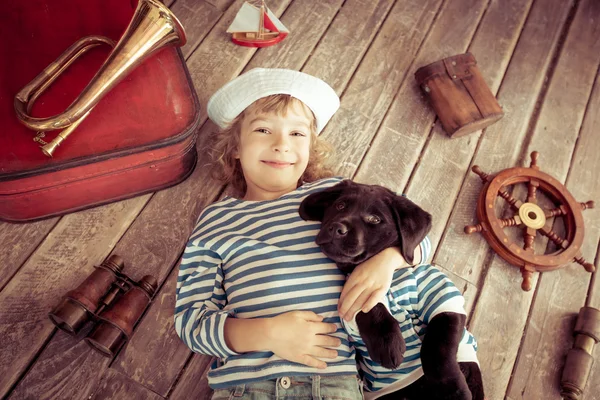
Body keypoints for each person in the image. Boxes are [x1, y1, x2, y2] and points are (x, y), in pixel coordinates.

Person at [173, 68, 429, 399]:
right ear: (234, 147)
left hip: (334, 385)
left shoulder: (336, 196)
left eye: (297, 134)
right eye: (264, 130)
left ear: (311, 148)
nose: (282, 145)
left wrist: (384, 263)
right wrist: (267, 333)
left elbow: (417, 237)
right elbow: (191, 320)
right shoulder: (217, 219)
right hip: (246, 387)